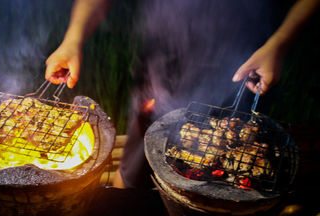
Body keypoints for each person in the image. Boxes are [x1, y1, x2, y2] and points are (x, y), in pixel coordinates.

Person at [45, 0, 320, 189]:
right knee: (133, 173)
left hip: (245, 70)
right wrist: (73, 39)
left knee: (231, 178)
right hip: (160, 70)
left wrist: (279, 45)